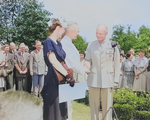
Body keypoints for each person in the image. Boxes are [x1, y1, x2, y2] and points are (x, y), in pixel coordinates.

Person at [85, 25, 120, 120]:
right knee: (94, 107)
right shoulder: (91, 45)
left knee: (107, 107)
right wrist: (87, 65)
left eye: (100, 33)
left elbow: (117, 64)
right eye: (96, 33)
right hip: (94, 80)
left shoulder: (113, 46)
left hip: (108, 80)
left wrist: (116, 80)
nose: (98, 35)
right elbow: (87, 59)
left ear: (106, 33)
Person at [41, 20, 74, 120]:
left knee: (61, 110)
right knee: (53, 111)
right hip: (53, 80)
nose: (62, 35)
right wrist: (67, 74)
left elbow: (62, 61)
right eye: (62, 32)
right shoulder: (48, 42)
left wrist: (69, 74)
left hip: (62, 81)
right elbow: (53, 61)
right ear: (58, 28)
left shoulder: (59, 44)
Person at [61, 22, 90, 120]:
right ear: (73, 31)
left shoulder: (68, 43)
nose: (78, 33)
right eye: (77, 31)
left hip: (69, 77)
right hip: (65, 78)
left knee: (69, 106)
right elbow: (72, 63)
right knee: (65, 108)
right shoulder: (65, 43)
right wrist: (86, 70)